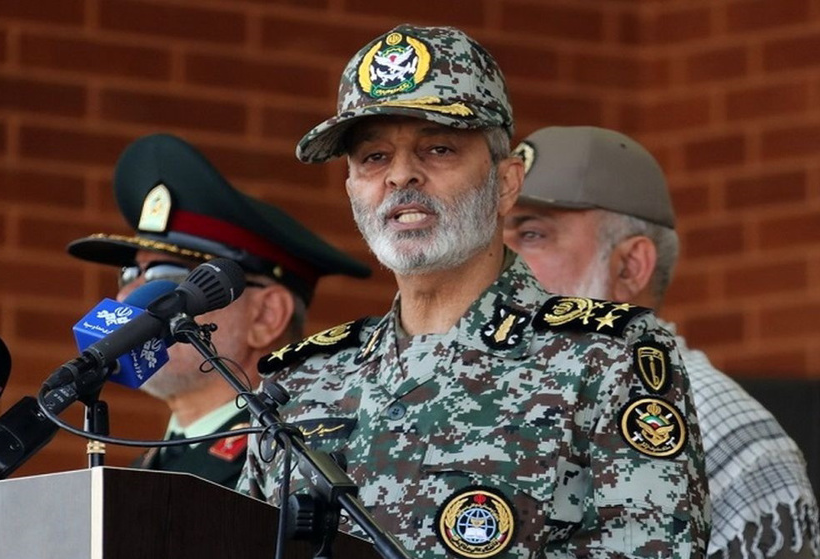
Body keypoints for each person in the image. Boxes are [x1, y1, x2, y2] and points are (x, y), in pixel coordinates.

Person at [240, 24, 709, 558]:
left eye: (438, 148)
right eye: (374, 158)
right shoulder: (299, 381)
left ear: (505, 183)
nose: (401, 177)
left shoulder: (608, 355)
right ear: (351, 188)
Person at [503, 125, 820, 559]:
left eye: (532, 234)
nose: (499, 260)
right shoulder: (483, 396)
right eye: (495, 236)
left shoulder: (725, 437)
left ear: (631, 267)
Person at [67, 133, 371, 489]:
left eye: (165, 276)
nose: (129, 294)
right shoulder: (149, 466)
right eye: (130, 273)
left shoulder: (297, 457)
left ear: (266, 315)